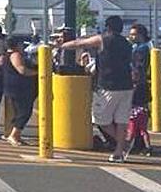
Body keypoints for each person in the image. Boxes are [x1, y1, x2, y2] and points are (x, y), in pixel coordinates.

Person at [59, 15, 134, 163]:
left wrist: (62, 45)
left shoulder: (103, 39)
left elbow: (80, 43)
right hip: (126, 85)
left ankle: (123, 143)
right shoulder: (126, 43)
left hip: (108, 85)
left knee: (101, 120)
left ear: (107, 26)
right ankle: (119, 150)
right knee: (121, 120)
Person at [0, 36, 37, 146]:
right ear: (16, 45)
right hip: (19, 88)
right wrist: (39, 72)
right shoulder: (15, 55)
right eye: (21, 43)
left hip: (13, 87)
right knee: (24, 112)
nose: (23, 46)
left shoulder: (8, 55)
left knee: (19, 111)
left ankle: (16, 135)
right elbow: (21, 70)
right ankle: (14, 135)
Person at [126, 23, 153, 157]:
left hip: (138, 86)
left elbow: (138, 68)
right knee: (138, 116)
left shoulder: (141, 49)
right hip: (139, 85)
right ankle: (139, 144)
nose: (131, 36)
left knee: (136, 115)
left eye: (134, 34)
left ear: (140, 35)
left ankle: (139, 144)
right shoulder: (137, 47)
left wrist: (133, 80)